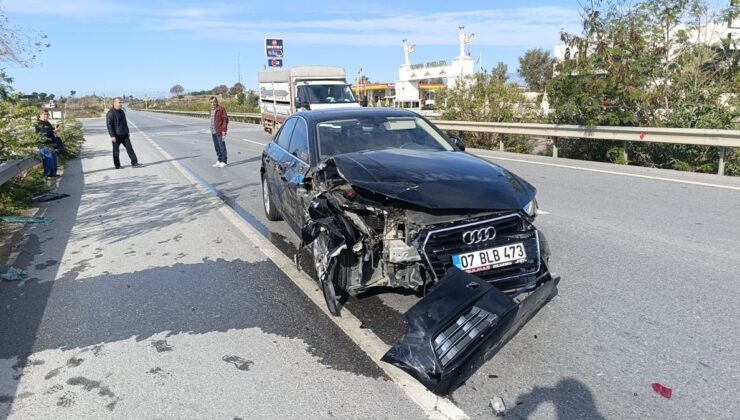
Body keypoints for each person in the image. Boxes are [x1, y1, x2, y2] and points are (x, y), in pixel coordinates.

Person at [106, 98, 142, 169]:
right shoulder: (110, 113)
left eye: (121, 103)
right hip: (116, 136)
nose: (121, 104)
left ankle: (134, 162)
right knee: (116, 151)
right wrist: (112, 136)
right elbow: (109, 125)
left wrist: (127, 132)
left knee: (130, 148)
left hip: (124, 134)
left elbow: (125, 123)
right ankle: (117, 165)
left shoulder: (122, 112)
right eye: (119, 103)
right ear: (114, 103)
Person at [35, 109, 60, 177]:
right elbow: (43, 134)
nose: (47, 116)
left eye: (47, 114)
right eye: (45, 114)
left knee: (53, 160)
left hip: (51, 143)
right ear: (40, 115)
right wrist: (53, 131)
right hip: (44, 144)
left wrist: (55, 129)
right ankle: (48, 175)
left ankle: (53, 174)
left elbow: (51, 131)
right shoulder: (38, 123)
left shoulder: (47, 122)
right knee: (48, 160)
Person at [209, 96, 229, 168]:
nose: (213, 104)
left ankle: (224, 161)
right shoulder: (211, 110)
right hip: (213, 131)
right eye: (211, 102)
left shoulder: (221, 109)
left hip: (220, 131)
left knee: (221, 146)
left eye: (214, 102)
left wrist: (224, 130)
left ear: (217, 102)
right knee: (216, 147)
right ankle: (219, 160)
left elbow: (225, 120)